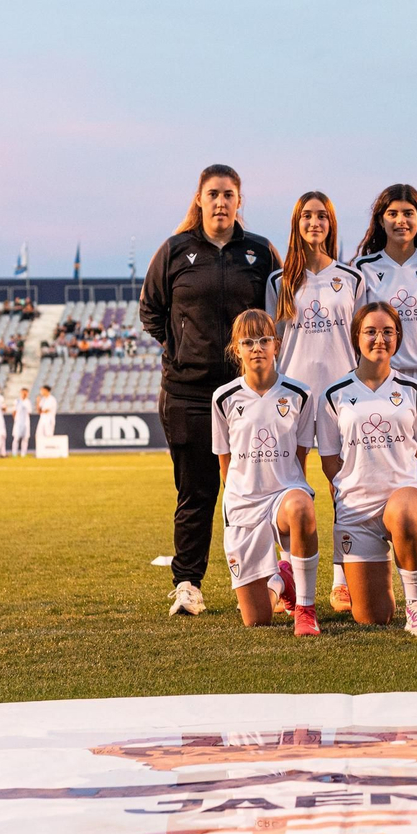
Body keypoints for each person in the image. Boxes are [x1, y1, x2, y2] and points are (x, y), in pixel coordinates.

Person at [140, 164, 281, 616]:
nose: (221, 202)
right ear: (199, 199)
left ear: (240, 201)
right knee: (196, 492)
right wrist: (182, 350)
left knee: (261, 489)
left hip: (249, 395)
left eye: (229, 194)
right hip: (189, 394)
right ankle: (187, 583)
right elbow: (151, 311)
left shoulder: (260, 252)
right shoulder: (175, 250)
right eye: (213, 193)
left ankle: (272, 581)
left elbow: (279, 312)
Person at [352, 184, 417, 609]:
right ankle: (360, 574)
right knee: (369, 478)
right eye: (392, 213)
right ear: (381, 219)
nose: (401, 220)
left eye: (409, 212)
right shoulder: (363, 268)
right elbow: (356, 327)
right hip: (378, 381)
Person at [266, 191, 366, 608]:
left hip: (340, 398)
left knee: (342, 485)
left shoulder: (353, 278)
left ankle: (342, 577)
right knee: (288, 486)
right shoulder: (279, 281)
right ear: (296, 223)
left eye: (322, 216)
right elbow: (270, 342)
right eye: (307, 216)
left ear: (331, 224)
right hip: (292, 395)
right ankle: (288, 570)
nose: (314, 223)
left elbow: (362, 338)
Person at [317, 302, 417, 635]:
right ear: (357, 336)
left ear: (398, 337)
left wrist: (399, 482)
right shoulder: (333, 394)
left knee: (402, 510)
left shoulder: (416, 391)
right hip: (357, 507)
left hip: (407, 497)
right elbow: (330, 460)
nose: (379, 339)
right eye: (370, 331)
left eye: (388, 331)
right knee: (372, 616)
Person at [212, 309, 320, 634]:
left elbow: (300, 458)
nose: (257, 348)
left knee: (301, 506)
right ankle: (282, 580)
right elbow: (225, 465)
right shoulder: (223, 398)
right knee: (257, 620)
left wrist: (295, 492)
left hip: (282, 497)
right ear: (237, 349)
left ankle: (305, 608)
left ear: (277, 345)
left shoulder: (300, 395)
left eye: (263, 340)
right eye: (248, 342)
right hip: (244, 505)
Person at [10, 387, 32, 456]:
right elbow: (14, 411)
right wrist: (16, 419)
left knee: (25, 438)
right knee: (16, 438)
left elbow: (29, 412)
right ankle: (14, 453)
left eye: (26, 393)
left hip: (25, 422)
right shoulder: (17, 401)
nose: (24, 394)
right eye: (23, 392)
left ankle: (23, 454)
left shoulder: (28, 402)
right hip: (18, 422)